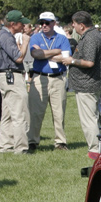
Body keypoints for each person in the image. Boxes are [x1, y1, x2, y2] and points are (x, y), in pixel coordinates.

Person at [58, 11, 101, 158]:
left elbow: (89, 62)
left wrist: (71, 61)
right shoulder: (91, 35)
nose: (72, 26)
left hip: (87, 85)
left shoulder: (91, 38)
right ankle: (98, 145)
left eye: (74, 23)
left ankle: (94, 150)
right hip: (90, 83)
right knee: (92, 116)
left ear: (82, 25)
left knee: (88, 119)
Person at [28, 11, 72, 151]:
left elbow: (65, 59)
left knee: (59, 112)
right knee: (35, 112)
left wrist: (45, 54)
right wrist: (56, 51)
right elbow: (35, 54)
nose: (44, 25)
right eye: (41, 23)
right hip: (39, 77)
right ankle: (32, 141)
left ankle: (60, 142)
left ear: (54, 23)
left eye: (47, 22)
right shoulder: (35, 37)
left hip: (58, 78)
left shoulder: (62, 38)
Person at [0, 10, 32, 154]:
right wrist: (25, 42)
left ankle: (6, 145)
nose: (23, 26)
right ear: (13, 24)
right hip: (12, 77)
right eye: (21, 23)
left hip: (4, 77)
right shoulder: (6, 37)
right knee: (19, 113)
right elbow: (18, 58)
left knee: (7, 114)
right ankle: (20, 148)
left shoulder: (0, 35)